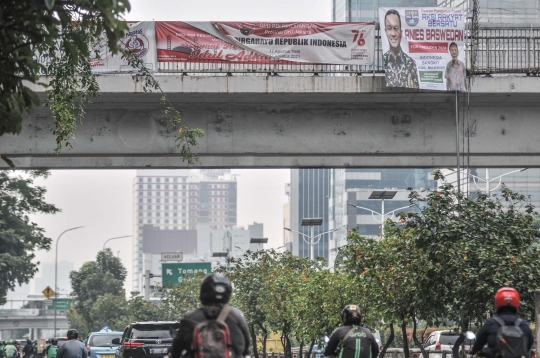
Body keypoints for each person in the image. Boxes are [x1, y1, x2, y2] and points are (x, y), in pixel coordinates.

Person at [170, 273, 250, 358]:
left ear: (203, 291)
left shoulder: (191, 317)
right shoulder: (236, 315)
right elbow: (246, 345)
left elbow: (176, 349)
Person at [469, 287, 533, 358]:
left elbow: (478, 345)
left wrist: (475, 350)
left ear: (497, 303)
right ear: (517, 303)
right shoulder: (523, 325)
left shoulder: (491, 323)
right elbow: (528, 345)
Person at [382, 9, 419, 89]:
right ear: (385, 32)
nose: (393, 34)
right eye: (389, 28)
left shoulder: (411, 63)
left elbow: (417, 91)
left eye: (396, 28)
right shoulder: (383, 60)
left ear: (401, 33)